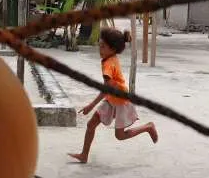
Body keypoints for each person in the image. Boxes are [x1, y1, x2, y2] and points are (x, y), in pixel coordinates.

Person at [68, 27, 158, 164]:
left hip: (121, 101)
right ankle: (84, 155)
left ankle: (148, 127)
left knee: (120, 136)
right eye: (100, 45)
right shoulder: (110, 58)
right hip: (111, 99)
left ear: (113, 49)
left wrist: (91, 105)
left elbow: (106, 88)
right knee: (91, 124)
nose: (100, 49)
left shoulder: (108, 64)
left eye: (103, 47)